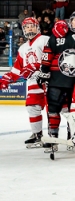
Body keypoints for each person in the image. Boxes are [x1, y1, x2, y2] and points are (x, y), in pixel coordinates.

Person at [40, 13, 75, 141]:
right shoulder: (59, 35)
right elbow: (48, 52)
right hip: (56, 80)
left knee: (74, 111)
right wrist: (44, 70)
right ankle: (53, 136)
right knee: (53, 108)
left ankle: (73, 136)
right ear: (70, 22)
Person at [0, 17, 50, 145]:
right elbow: (17, 69)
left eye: (32, 26)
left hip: (49, 80)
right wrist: (7, 79)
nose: (29, 28)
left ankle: (53, 135)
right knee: (32, 107)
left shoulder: (45, 40)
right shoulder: (22, 48)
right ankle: (37, 134)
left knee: (53, 109)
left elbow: (51, 58)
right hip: (33, 83)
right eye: (27, 27)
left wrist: (36, 66)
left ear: (37, 27)